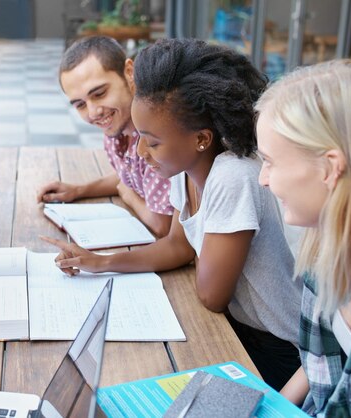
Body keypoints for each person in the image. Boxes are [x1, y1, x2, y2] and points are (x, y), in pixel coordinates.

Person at [42, 38, 302, 391]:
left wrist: (195, 257)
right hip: (239, 330)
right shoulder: (186, 169)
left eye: (152, 140)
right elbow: (177, 247)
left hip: (277, 351)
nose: (140, 151)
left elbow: (211, 295)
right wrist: (99, 261)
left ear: (201, 138)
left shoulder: (232, 176)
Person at [256, 61, 351, 415]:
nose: (263, 178)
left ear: (330, 167)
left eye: (270, 162)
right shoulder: (325, 243)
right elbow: (317, 365)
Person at [36, 36, 173, 238]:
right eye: (80, 105)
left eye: (99, 94)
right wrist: (78, 191)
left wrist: (127, 194)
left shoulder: (157, 133)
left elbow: (163, 224)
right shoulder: (116, 129)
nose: (93, 113)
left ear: (129, 72)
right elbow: (130, 176)